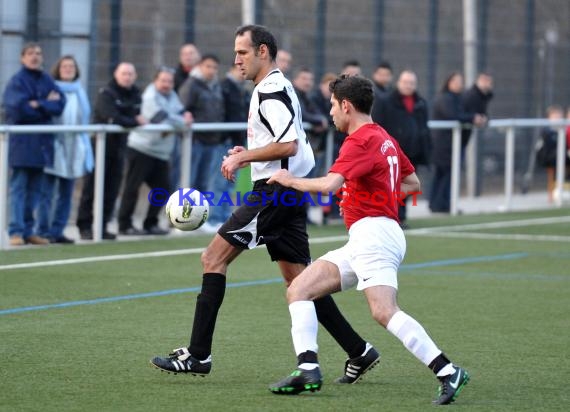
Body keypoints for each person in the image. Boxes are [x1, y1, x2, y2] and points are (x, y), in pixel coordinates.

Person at [151, 25, 379, 385]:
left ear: (262, 51)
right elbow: (286, 142)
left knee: (213, 258)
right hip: (286, 192)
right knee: (301, 282)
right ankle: (358, 350)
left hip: (274, 193)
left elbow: (287, 145)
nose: (235, 59)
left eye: (241, 52)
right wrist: (252, 155)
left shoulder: (270, 89)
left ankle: (198, 355)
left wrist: (243, 161)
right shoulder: (275, 85)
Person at [267, 75, 470, 406]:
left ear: (346, 106)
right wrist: (378, 196)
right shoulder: (384, 138)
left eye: (333, 105)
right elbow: (413, 182)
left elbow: (329, 186)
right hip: (369, 235)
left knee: (383, 311)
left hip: (374, 235)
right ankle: (308, 369)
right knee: (300, 289)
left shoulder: (360, 140)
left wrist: (290, 180)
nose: (331, 112)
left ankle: (447, 370)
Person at [3, 42, 66, 246]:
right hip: (22, 144)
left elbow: (59, 104)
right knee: (19, 188)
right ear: (22, 58)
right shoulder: (17, 81)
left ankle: (29, 231)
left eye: (38, 53)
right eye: (30, 53)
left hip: (42, 144)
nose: (35, 57)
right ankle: (16, 231)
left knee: (36, 191)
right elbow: (18, 109)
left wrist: (37, 103)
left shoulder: (47, 79)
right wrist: (45, 104)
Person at [117, 67, 193, 236]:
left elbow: (181, 113)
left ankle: (150, 223)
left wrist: (183, 117)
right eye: (163, 81)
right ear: (155, 81)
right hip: (142, 149)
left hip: (160, 152)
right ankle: (124, 224)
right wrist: (181, 121)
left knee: (163, 188)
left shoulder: (172, 96)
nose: (167, 84)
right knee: (132, 188)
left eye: (169, 81)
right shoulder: (149, 97)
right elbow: (162, 119)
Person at [76, 62, 146, 240]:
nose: (127, 77)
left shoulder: (136, 94)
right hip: (100, 147)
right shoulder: (106, 93)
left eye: (130, 73)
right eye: (124, 73)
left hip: (119, 148)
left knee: (112, 189)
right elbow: (112, 117)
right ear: (116, 74)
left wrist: (127, 119)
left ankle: (102, 225)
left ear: (135, 76)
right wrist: (131, 120)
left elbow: (130, 116)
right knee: (92, 188)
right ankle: (85, 226)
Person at [36, 55, 93, 244]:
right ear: (58, 69)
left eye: (71, 66)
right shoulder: (50, 88)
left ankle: (57, 230)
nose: (68, 69)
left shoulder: (80, 92)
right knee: (46, 192)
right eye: (64, 66)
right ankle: (42, 230)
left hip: (74, 146)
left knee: (66, 193)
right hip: (54, 144)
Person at [373, 70, 431, 227]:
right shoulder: (386, 101)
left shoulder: (420, 103)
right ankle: (391, 216)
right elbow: (377, 126)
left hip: (412, 152)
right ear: (399, 83)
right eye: (405, 82)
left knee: (408, 185)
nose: (408, 86)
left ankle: (402, 216)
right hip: (391, 152)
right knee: (391, 185)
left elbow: (423, 127)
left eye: (411, 83)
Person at [429, 72, 486, 213]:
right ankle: (441, 204)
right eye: (457, 81)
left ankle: (439, 204)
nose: (460, 84)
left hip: (451, 143)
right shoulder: (445, 98)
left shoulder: (458, 98)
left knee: (444, 174)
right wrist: (473, 118)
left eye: (461, 81)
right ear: (449, 82)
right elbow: (453, 115)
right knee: (445, 174)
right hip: (444, 145)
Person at [178, 54, 225, 201]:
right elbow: (181, 109)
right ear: (199, 66)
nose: (211, 70)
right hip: (194, 141)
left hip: (211, 141)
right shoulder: (191, 85)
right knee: (188, 182)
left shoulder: (216, 86)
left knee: (204, 184)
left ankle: (199, 219)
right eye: (208, 66)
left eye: (215, 67)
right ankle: (180, 219)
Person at [171, 43, 201, 191]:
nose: (188, 56)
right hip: (180, 132)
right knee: (181, 173)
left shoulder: (204, 76)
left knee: (199, 177)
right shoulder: (173, 77)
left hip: (200, 133)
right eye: (185, 53)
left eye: (191, 53)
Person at [292, 67, 329, 177]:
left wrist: (321, 119)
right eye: (304, 78)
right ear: (295, 80)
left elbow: (317, 113)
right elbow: (301, 114)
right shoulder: (293, 94)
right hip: (294, 150)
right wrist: (319, 121)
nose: (307, 82)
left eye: (310, 79)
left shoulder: (306, 96)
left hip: (304, 149)